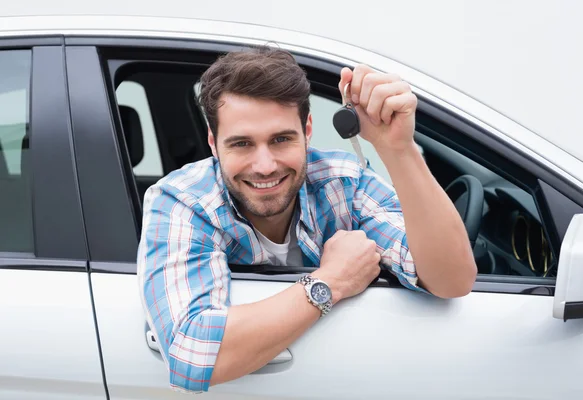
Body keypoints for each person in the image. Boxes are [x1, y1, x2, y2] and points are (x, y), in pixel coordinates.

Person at [137, 46, 477, 393]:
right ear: (213, 143)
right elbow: (192, 354)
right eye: (242, 144)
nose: (265, 165)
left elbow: (452, 280)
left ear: (308, 130)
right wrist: (331, 280)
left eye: (281, 139)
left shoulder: (342, 181)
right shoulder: (184, 200)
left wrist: (398, 149)